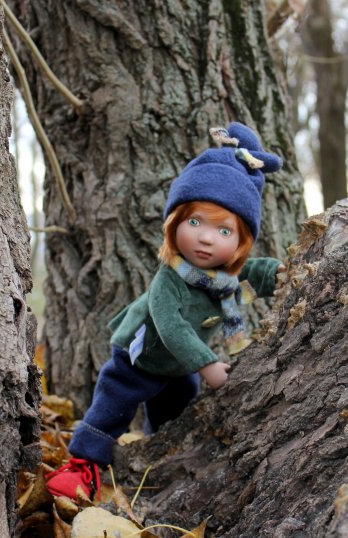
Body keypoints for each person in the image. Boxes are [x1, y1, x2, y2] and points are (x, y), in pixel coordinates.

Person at [46, 122, 285, 499]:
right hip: (140, 357)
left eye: (224, 231)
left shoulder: (223, 277)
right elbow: (171, 325)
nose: (206, 237)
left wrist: (283, 275)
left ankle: (160, 457)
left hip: (179, 370)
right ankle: (84, 465)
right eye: (195, 222)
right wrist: (207, 364)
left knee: (174, 411)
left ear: (240, 243)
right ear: (174, 224)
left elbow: (253, 275)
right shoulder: (170, 279)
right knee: (113, 405)